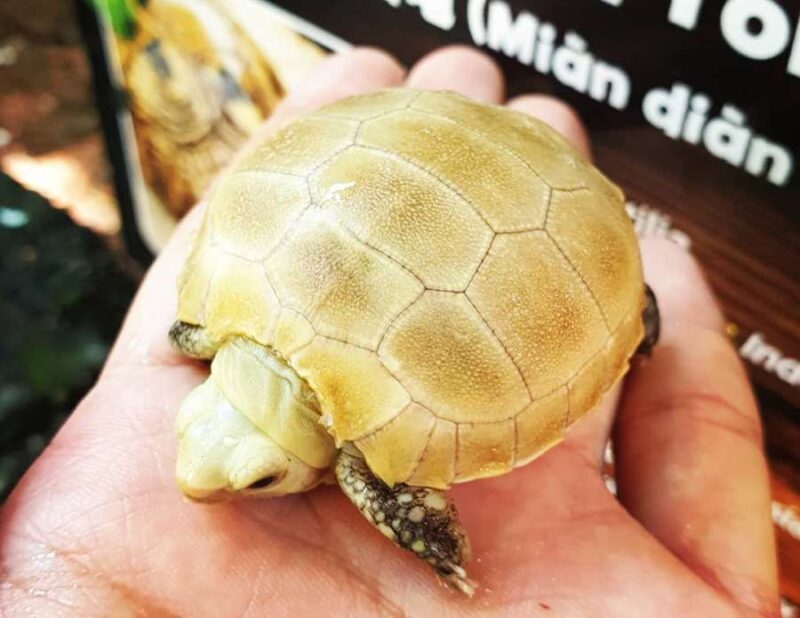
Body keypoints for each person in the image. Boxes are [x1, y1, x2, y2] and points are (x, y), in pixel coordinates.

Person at [0, 46, 779, 617]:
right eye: (248, 471)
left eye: (260, 480)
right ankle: (620, 306)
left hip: (500, 187)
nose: (199, 485)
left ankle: (623, 306)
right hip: (442, 153)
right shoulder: (209, 319)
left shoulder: (355, 452)